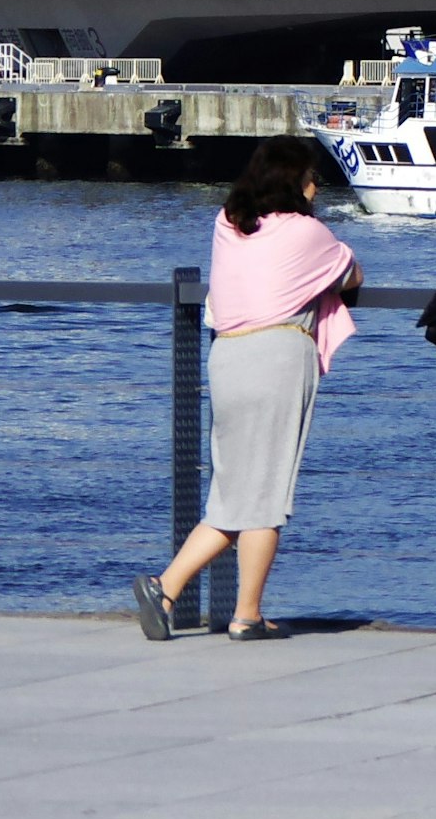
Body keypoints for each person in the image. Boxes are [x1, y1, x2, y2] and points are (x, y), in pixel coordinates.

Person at [134, 135, 359, 644]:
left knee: (234, 492)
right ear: (295, 182)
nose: (316, 186)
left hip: (226, 357)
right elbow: (351, 274)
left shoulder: (226, 223)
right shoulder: (308, 232)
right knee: (266, 494)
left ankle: (165, 589)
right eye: (311, 177)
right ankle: (246, 613)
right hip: (275, 359)